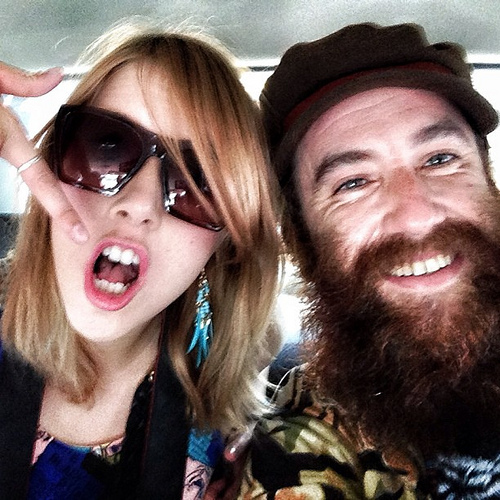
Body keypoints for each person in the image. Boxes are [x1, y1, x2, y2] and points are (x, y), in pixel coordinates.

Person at [0, 20, 281, 499]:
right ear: (49, 167)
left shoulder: (240, 443)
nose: (141, 204)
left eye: (198, 182)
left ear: (224, 243)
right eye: (106, 147)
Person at [239, 23, 500, 498]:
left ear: (489, 179)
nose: (417, 216)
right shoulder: (306, 446)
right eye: (353, 183)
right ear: (301, 241)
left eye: (440, 158)